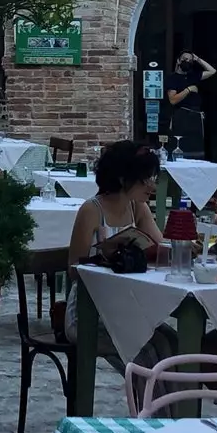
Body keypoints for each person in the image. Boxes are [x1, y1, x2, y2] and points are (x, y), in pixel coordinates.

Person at [65, 140, 164, 339]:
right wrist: (105, 259)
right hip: (89, 309)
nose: (151, 185)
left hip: (125, 304)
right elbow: (73, 270)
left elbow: (161, 249)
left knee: (167, 341)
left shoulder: (137, 207)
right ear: (122, 178)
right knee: (144, 346)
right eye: (144, 179)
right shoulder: (92, 210)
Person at [163, 49, 215, 153]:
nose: (187, 61)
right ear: (178, 61)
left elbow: (212, 71)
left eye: (190, 60)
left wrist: (198, 59)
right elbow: (173, 100)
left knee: (196, 149)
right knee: (181, 147)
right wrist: (188, 90)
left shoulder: (193, 75)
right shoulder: (172, 78)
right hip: (182, 117)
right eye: (185, 59)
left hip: (196, 117)